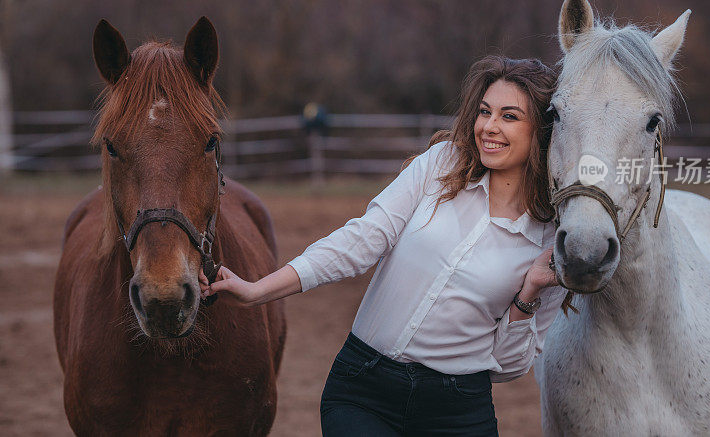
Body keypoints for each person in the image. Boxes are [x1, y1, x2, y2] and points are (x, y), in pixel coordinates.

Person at [201, 55, 568, 436]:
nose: (489, 127)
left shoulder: (550, 243)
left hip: (458, 410)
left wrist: (529, 294)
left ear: (541, 130)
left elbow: (506, 368)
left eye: (509, 116)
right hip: (365, 390)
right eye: (484, 112)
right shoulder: (442, 164)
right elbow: (361, 240)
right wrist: (255, 290)